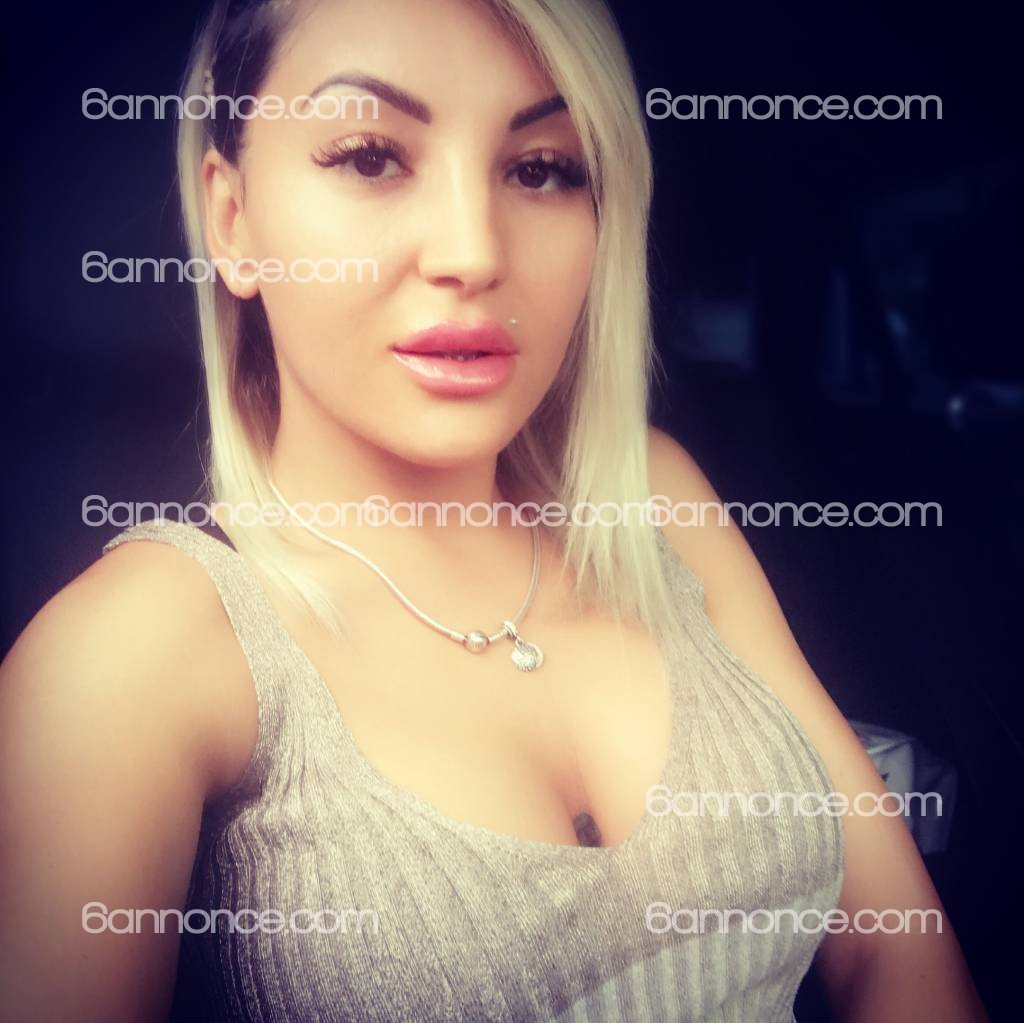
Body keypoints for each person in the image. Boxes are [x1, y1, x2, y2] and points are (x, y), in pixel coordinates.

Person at [0, 0, 987, 1020]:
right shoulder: (130, 651)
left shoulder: (653, 498)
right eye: (370, 156)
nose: (472, 253)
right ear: (232, 218)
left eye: (541, 169)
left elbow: (892, 950)